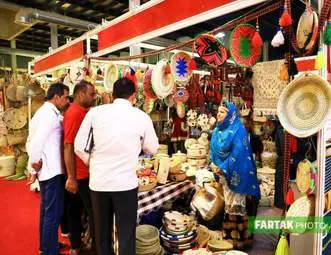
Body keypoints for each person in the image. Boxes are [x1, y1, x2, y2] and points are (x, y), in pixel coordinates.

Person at [74, 77, 159, 255]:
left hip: (99, 183)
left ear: (112, 95)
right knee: (126, 234)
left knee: (102, 234)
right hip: (125, 184)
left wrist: (93, 162)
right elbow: (152, 148)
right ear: (133, 96)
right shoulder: (141, 116)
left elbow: (79, 147)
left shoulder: (95, 113)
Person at [210, 101, 260, 250]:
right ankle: (229, 238)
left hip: (238, 172)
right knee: (228, 206)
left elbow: (239, 154)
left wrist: (224, 167)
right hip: (224, 175)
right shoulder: (217, 131)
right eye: (218, 111)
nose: (219, 114)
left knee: (237, 206)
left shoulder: (239, 130)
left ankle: (241, 242)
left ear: (230, 115)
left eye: (223, 112)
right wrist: (215, 165)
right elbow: (213, 152)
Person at [27, 82, 70, 255]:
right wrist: (34, 166)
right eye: (66, 97)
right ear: (57, 97)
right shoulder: (48, 116)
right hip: (51, 171)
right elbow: (36, 142)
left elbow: (31, 140)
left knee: (47, 211)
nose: (67, 101)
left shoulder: (47, 113)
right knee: (53, 212)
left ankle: (46, 245)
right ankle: (49, 250)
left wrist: (34, 168)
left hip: (48, 170)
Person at [63, 80, 97, 254]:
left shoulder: (84, 111)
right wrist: (71, 177)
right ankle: (81, 245)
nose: (94, 97)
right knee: (89, 211)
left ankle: (77, 244)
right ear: (81, 94)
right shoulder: (74, 113)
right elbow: (68, 146)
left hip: (84, 171)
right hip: (80, 174)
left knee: (78, 208)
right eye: (92, 94)